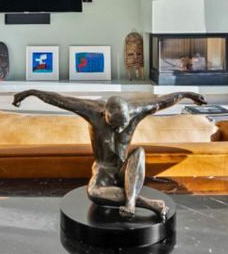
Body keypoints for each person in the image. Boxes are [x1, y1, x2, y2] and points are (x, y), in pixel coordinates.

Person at [12, 90, 206, 219]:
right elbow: (61, 100)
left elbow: (164, 101)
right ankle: (148, 204)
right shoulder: (91, 111)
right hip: (104, 170)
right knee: (93, 192)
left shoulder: (138, 110)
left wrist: (187, 94)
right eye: (114, 125)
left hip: (125, 168)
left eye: (123, 124)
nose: (119, 129)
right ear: (104, 115)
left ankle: (131, 202)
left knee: (139, 152)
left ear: (129, 114)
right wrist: (31, 92)